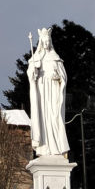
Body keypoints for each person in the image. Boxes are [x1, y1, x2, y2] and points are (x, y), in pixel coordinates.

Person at [26, 27, 69, 157]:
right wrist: (33, 73)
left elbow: (64, 76)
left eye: (48, 41)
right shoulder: (36, 58)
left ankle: (56, 147)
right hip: (42, 93)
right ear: (41, 42)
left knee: (55, 117)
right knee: (43, 118)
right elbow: (30, 75)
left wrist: (59, 79)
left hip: (54, 92)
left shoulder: (56, 58)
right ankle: (44, 148)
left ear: (50, 42)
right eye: (44, 41)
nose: (46, 44)